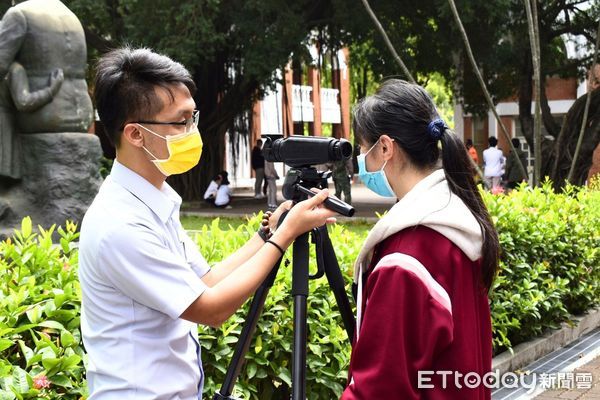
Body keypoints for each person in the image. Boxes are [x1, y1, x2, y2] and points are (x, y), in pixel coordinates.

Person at [78, 47, 337, 400]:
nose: (192, 132)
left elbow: (205, 280)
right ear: (135, 134)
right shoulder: (119, 223)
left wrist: (269, 233)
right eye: (180, 122)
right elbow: (212, 308)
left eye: (193, 118)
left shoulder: (153, 200)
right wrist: (287, 235)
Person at [341, 79, 499, 399]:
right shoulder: (459, 222)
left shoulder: (404, 261)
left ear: (385, 148)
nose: (360, 159)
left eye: (362, 147)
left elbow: (380, 389)